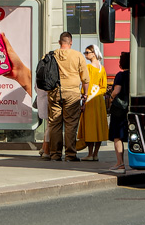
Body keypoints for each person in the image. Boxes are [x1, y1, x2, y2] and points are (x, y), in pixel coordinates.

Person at [46, 32, 89, 162]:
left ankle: (55, 154)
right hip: (72, 93)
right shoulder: (77, 56)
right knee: (71, 124)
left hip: (54, 92)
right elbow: (85, 79)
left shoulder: (50, 55)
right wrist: (85, 94)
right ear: (71, 43)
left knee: (54, 123)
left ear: (60, 42)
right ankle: (70, 155)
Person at [77, 45, 108, 161]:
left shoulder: (89, 67)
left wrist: (84, 99)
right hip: (99, 100)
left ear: (93, 53)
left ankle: (90, 154)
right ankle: (95, 154)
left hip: (90, 99)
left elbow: (86, 83)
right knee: (98, 126)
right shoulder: (102, 68)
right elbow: (103, 87)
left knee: (89, 126)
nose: (85, 55)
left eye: (87, 52)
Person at [106, 51, 131, 173]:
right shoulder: (136, 75)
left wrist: (110, 100)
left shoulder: (121, 75)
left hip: (120, 109)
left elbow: (116, 90)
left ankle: (120, 163)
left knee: (117, 136)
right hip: (132, 108)